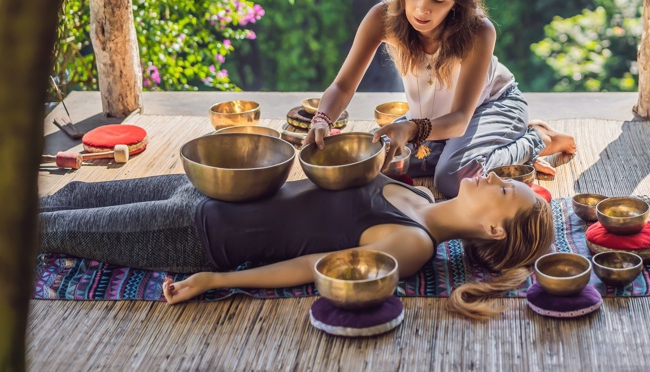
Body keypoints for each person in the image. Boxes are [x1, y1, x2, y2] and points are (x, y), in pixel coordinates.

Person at [39, 171, 554, 319]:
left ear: (495, 231)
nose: (493, 178)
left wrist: (219, 280)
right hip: (210, 186)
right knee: (72, 195)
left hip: (198, 233)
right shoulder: (418, 191)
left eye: (504, 190)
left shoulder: (414, 244)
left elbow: (314, 266)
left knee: (46, 231)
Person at [302, 0, 575, 198]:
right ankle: (470, 151)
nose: (422, 8)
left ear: (456, 2)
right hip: (429, 119)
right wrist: (322, 120)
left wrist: (409, 129)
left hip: (492, 106)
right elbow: (342, 86)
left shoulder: (478, 31)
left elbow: (459, 120)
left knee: (454, 178)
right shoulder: (382, 18)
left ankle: (538, 138)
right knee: (378, 163)